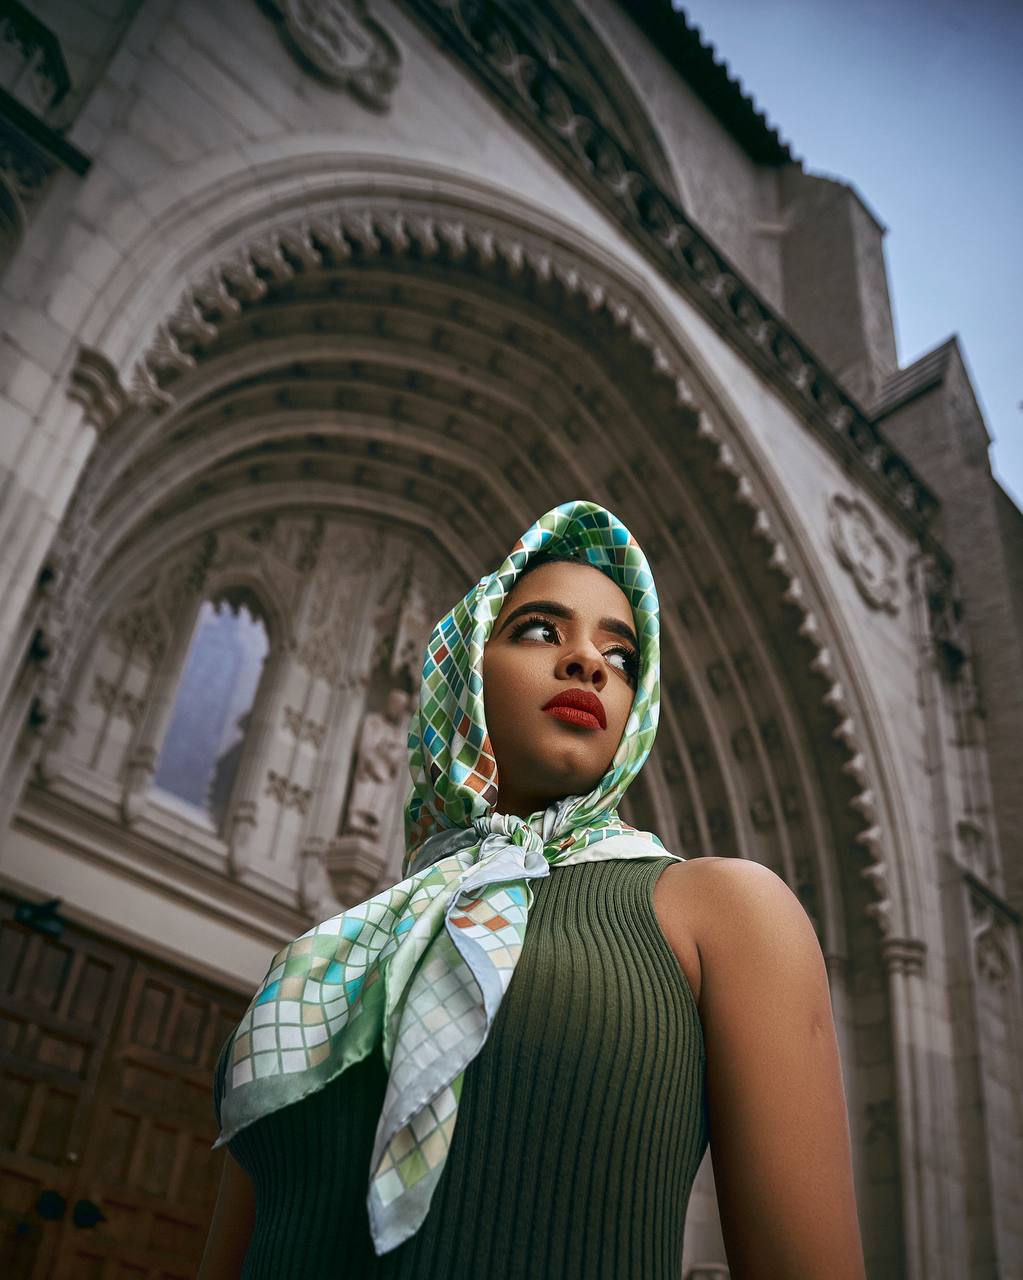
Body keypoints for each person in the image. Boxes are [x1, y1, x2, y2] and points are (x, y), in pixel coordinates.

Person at [199, 500, 866, 1279]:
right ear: (463, 673)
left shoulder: (721, 911)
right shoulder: (320, 962)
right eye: (541, 631)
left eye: (621, 657)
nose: (587, 663)